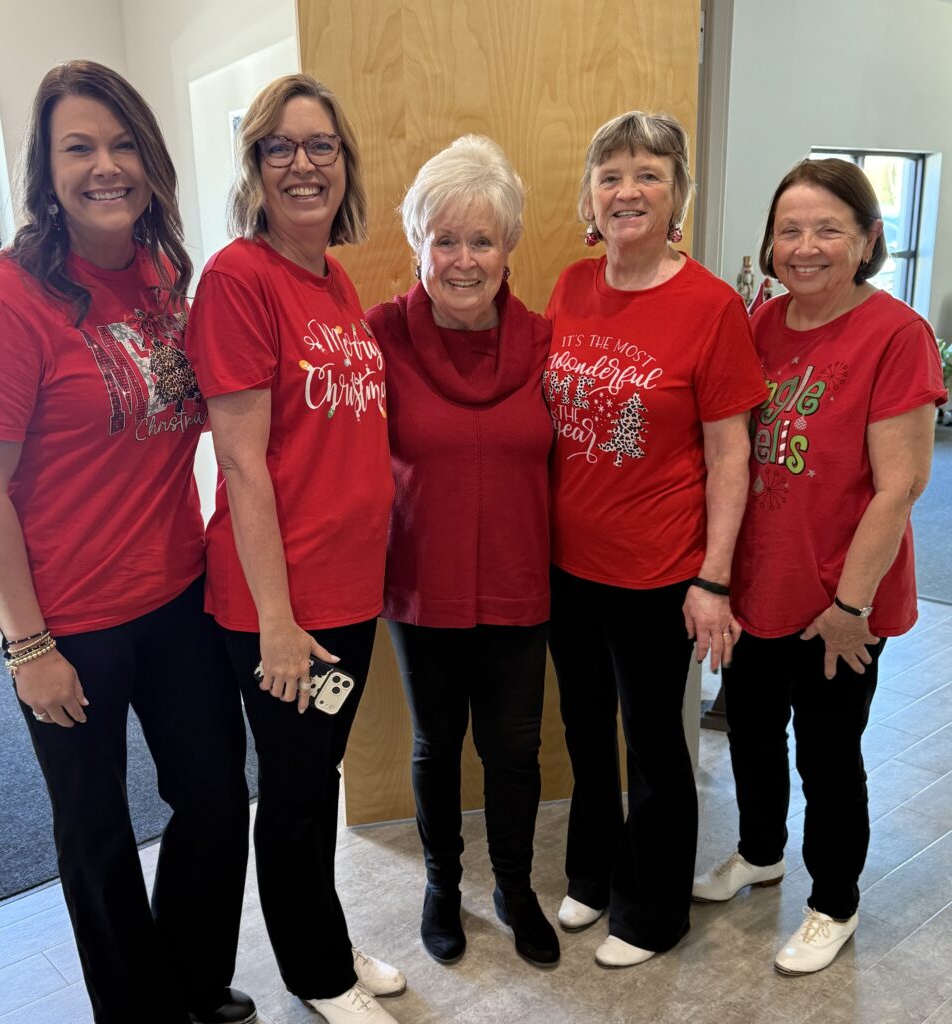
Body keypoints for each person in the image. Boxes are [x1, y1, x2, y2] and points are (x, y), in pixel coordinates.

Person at [0, 60, 253, 1024]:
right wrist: (27, 645)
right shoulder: (1, 301)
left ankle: (193, 982)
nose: (104, 166)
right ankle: (136, 1011)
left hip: (177, 596)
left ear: (151, 161)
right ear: (46, 169)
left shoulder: (164, 274)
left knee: (213, 796)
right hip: (65, 620)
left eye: (123, 146)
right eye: (79, 148)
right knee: (96, 829)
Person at [184, 74, 403, 1024]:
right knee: (295, 792)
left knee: (317, 780)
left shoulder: (332, 278)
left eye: (322, 146)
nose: (304, 164)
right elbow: (241, 463)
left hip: (347, 592)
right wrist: (275, 621)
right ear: (256, 165)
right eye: (281, 146)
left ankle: (326, 940)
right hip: (283, 605)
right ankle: (317, 976)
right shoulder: (239, 279)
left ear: (344, 163)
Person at [692, 158, 946, 975]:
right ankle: (760, 853)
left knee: (827, 757)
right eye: (789, 230)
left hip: (838, 597)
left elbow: (900, 484)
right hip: (759, 585)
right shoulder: (759, 323)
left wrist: (850, 607)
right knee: (750, 734)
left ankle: (832, 902)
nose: (804, 247)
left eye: (827, 229)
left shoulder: (896, 334)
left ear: (867, 239)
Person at [543, 111, 767, 967]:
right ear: (589, 197)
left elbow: (729, 454)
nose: (626, 191)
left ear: (677, 195)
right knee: (583, 727)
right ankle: (593, 873)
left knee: (651, 740)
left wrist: (712, 579)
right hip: (566, 562)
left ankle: (653, 909)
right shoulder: (570, 285)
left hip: (657, 568)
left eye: (647, 174)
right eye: (610, 175)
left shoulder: (709, 307)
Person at [366, 136, 558, 969]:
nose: (464, 259)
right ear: (418, 243)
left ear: (508, 245)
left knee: (514, 750)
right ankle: (442, 885)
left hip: (519, 582)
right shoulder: (377, 337)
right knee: (435, 746)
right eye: (445, 239)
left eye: (481, 239)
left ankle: (513, 887)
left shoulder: (546, 342)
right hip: (422, 585)